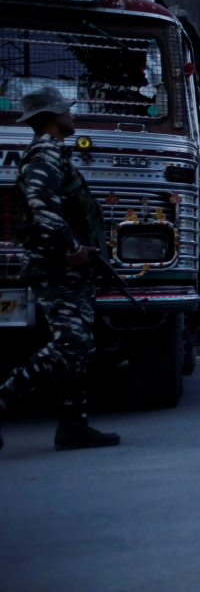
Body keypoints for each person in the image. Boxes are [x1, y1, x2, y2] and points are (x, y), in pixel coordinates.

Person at [0, 87, 120, 451]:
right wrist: (72, 248)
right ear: (53, 116)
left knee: (79, 347)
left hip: (71, 266)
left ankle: (73, 425)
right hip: (57, 265)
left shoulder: (53, 152)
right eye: (66, 110)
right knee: (72, 343)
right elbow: (42, 208)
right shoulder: (44, 153)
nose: (72, 114)